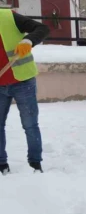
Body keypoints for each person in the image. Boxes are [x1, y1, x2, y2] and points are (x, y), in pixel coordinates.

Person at [0, 9, 50, 175]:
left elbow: (42, 29)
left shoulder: (8, 16)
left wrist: (28, 40)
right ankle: (1, 165)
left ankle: (35, 164)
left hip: (23, 82)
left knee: (30, 125)